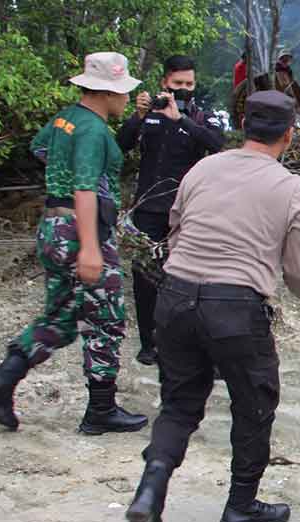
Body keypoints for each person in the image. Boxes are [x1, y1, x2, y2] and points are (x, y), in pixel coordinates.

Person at [123, 91, 300, 522]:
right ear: (289, 134)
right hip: (235, 308)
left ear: (241, 125)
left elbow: (175, 230)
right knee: (254, 405)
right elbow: (298, 273)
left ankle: (150, 494)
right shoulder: (289, 187)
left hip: (173, 297)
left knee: (178, 404)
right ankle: (240, 507)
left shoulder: (203, 168)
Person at [0, 52, 148, 435]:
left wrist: (62, 174)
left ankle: (1, 380)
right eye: (122, 92)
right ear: (106, 93)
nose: (126, 98)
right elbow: (85, 188)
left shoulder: (64, 120)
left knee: (61, 315)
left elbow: (40, 150)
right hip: (80, 229)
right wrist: (90, 247)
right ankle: (101, 410)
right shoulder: (92, 130)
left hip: (54, 227)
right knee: (106, 319)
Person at [117, 55, 225, 367]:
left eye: (189, 84)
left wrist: (183, 120)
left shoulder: (202, 116)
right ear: (165, 82)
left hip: (187, 211)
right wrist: (137, 116)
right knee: (145, 278)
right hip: (148, 208)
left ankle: (189, 343)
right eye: (178, 84)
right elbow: (121, 144)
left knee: (190, 278)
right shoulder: (149, 114)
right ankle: (149, 343)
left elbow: (216, 143)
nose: (184, 89)